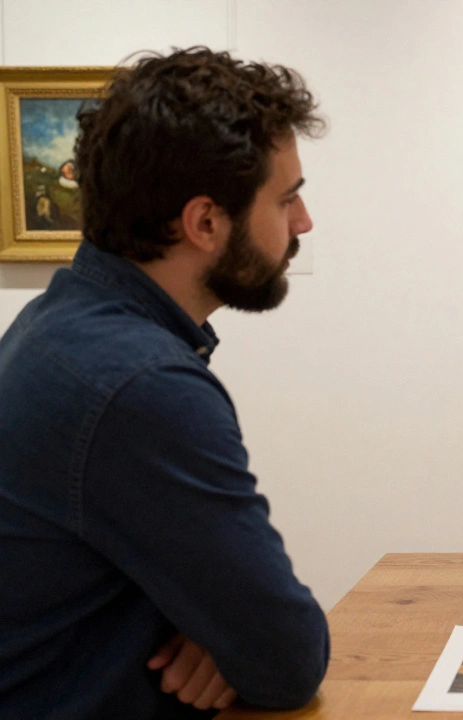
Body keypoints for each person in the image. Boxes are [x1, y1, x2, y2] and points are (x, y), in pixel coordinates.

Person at [0, 47, 330, 718]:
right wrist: (230, 639)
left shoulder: (59, 326)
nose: (303, 223)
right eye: (287, 198)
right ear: (205, 223)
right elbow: (286, 656)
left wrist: (217, 635)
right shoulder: (140, 386)